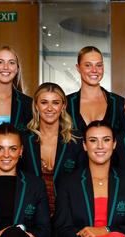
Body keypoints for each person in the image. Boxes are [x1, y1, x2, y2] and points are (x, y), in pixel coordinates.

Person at [21, 82, 84, 216]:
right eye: (44, 102)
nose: (50, 108)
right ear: (36, 106)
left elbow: (82, 183)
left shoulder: (76, 140)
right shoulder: (24, 139)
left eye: (55, 103)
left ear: (63, 106)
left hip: (67, 214)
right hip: (30, 213)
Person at [66, 46, 125, 135]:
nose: (94, 70)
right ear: (78, 68)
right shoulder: (65, 103)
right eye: (88, 65)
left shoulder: (119, 103)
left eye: (99, 65)